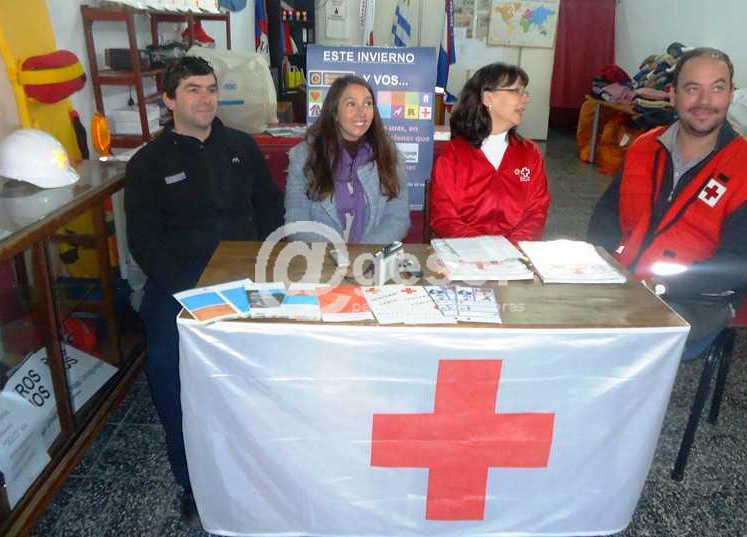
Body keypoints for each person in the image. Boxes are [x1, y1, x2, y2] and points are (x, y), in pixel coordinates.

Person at [124, 56, 283, 527]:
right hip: (178, 284)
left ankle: (264, 463)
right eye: (192, 89)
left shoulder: (241, 147)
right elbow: (144, 242)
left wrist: (267, 266)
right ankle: (191, 479)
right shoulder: (148, 163)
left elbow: (269, 208)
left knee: (269, 362)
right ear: (169, 100)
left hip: (246, 276)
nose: (205, 98)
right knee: (167, 367)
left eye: (211, 88)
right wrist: (189, 293)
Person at [588, 47, 747, 359]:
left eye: (717, 88)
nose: (705, 101)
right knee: (568, 319)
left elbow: (734, 265)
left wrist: (659, 286)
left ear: (731, 94)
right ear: (673, 94)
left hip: (699, 298)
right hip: (627, 278)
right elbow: (606, 214)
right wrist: (600, 267)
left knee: (628, 343)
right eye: (693, 89)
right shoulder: (643, 147)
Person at [430, 62, 550, 242]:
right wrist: (485, 248)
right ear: (487, 98)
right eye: (516, 91)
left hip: (516, 253)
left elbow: (536, 212)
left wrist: (511, 248)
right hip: (465, 252)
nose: (525, 100)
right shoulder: (453, 155)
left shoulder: (529, 153)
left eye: (525, 92)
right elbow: (444, 218)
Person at [284, 74, 409, 243]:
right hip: (321, 255)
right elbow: (296, 219)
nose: (362, 112)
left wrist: (362, 252)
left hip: (371, 255)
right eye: (351, 104)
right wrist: (335, 253)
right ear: (335, 113)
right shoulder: (305, 156)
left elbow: (397, 218)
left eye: (368, 103)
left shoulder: (389, 154)